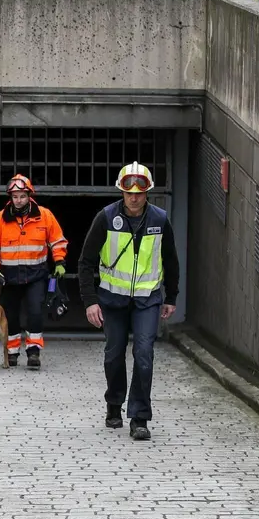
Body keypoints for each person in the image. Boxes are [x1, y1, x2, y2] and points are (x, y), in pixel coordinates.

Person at [77, 161, 180, 441]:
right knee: (114, 355)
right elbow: (86, 261)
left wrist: (170, 296)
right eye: (128, 191)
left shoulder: (159, 220)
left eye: (140, 191)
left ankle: (139, 417)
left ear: (147, 192)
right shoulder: (107, 218)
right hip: (113, 300)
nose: (134, 197)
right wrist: (90, 301)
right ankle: (114, 403)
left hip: (147, 299)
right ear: (121, 192)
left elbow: (170, 260)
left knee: (144, 354)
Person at [0, 174, 68, 370]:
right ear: (10, 198)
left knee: (35, 313)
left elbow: (57, 240)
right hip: (9, 278)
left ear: (29, 196)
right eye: (15, 196)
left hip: (36, 275)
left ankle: (34, 352)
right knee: (10, 315)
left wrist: (59, 260)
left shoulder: (44, 216)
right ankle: (11, 353)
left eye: (22, 196)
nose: (18, 200)